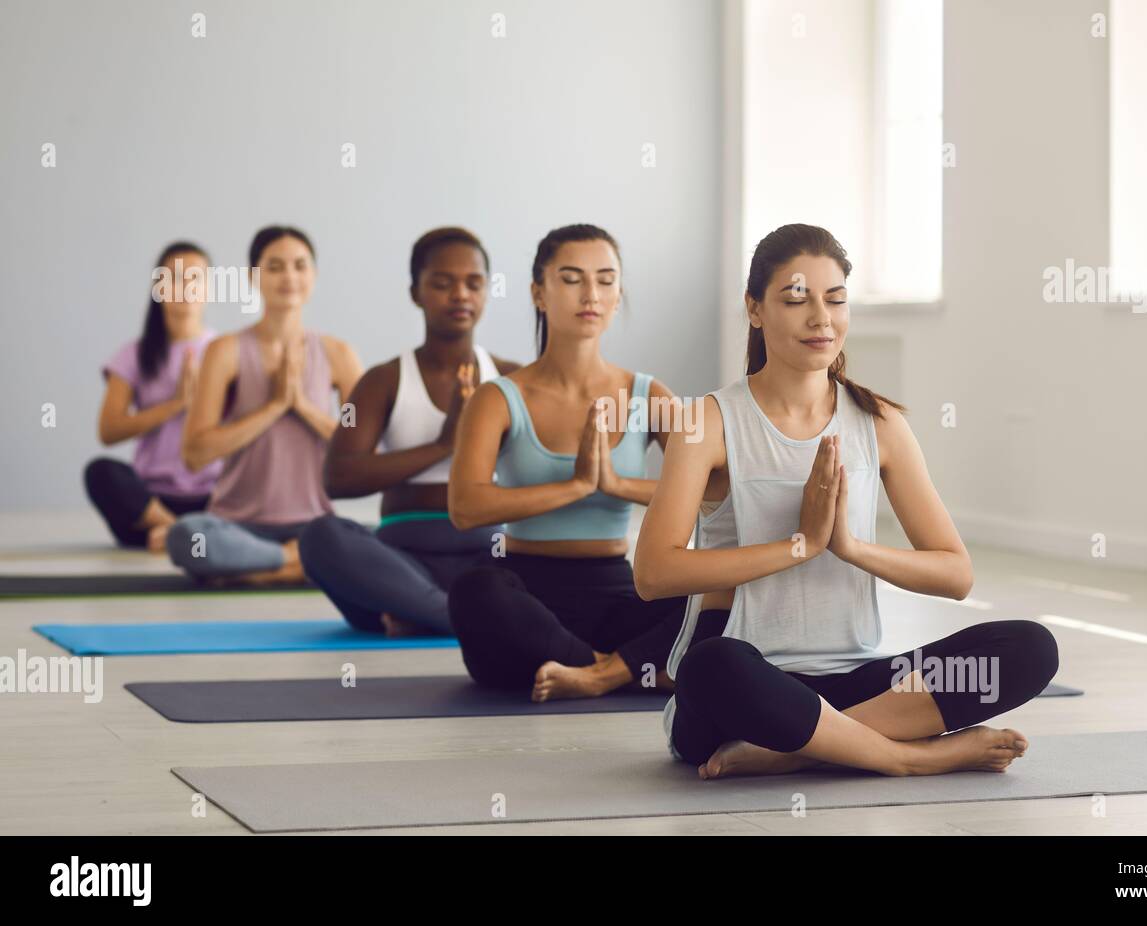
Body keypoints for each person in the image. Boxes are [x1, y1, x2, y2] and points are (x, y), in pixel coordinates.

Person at [634, 223, 1060, 779]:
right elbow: (653, 573)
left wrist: (850, 547)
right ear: (755, 310)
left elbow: (955, 574)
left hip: (855, 680)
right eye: (796, 299)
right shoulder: (708, 422)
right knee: (711, 666)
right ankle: (904, 757)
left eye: (835, 299)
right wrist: (800, 546)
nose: (821, 318)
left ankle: (793, 749)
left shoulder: (878, 423)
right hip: (745, 682)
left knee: (1029, 647)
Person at [446, 223, 688, 702]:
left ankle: (591, 674)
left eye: (605, 279)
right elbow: (465, 507)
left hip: (619, 593)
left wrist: (617, 484)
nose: (591, 293)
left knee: (719, 592)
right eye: (572, 278)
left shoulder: (648, 394)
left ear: (618, 295)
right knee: (474, 592)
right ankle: (624, 669)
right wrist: (577, 485)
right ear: (539, 292)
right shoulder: (498, 397)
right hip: (523, 596)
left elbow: (715, 492)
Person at [299, 227, 520, 634]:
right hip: (401, 564)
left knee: (554, 566)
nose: (460, 295)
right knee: (320, 536)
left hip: (491, 558)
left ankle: (426, 617)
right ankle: (460, 618)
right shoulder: (381, 381)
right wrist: (444, 443)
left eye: (474, 283)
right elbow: (338, 478)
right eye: (442, 283)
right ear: (415, 292)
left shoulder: (514, 378)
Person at [165, 226, 363, 585]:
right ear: (253, 277)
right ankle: (292, 563)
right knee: (188, 538)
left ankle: (255, 573)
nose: (289, 276)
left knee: (380, 541)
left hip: (313, 525)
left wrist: (301, 405)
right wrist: (273, 407)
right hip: (236, 525)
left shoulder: (339, 356)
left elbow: (362, 452)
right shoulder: (224, 352)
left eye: (300, 266)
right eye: (275, 267)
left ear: (313, 276)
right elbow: (195, 453)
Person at [85, 242, 222, 551]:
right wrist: (176, 405)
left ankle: (181, 536)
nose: (184, 286)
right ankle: (175, 531)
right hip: (150, 503)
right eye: (174, 277)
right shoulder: (134, 354)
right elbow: (108, 431)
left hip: (214, 497)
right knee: (101, 473)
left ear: (208, 288)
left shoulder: (224, 351)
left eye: (194, 278)